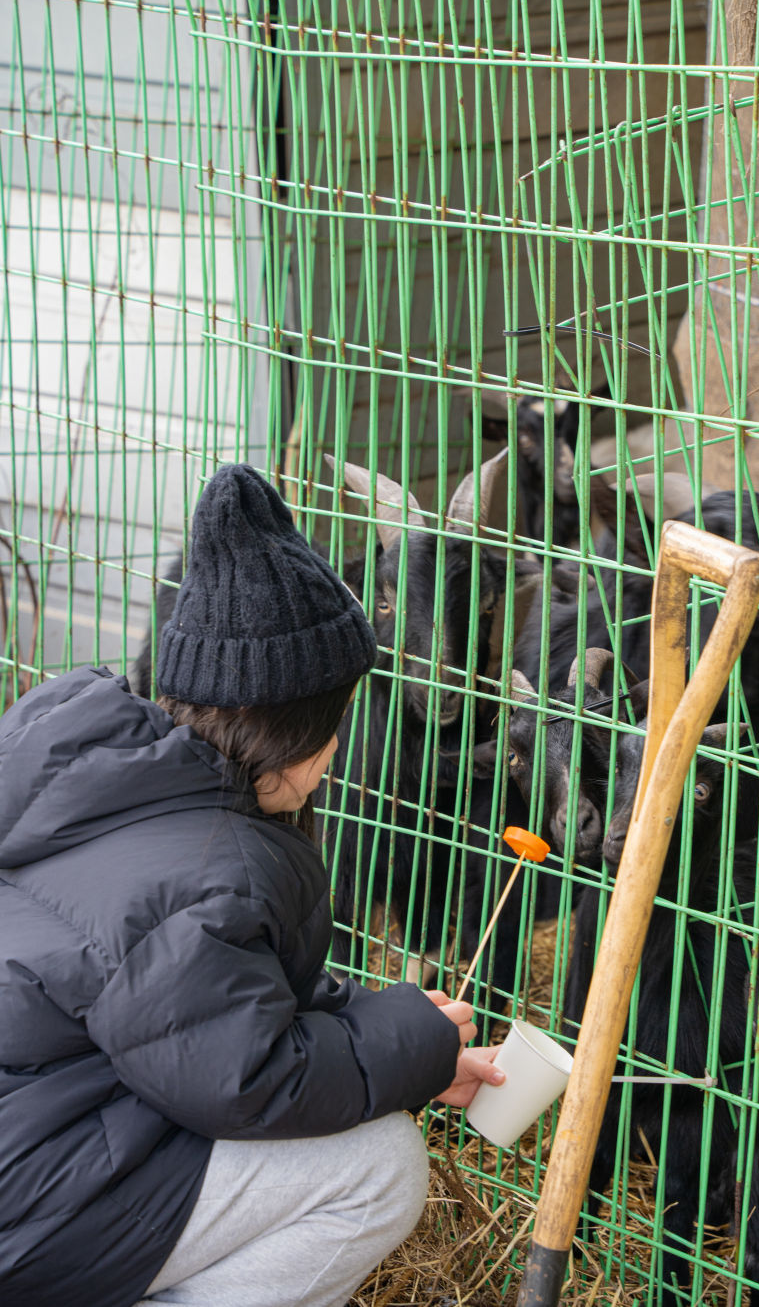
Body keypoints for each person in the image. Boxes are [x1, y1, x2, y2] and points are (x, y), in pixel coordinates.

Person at [0, 463, 504, 1307]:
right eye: (337, 721)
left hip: (36, 1129)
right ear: (301, 739)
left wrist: (392, 1027)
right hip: (26, 1208)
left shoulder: (100, 778)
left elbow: (203, 1000)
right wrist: (413, 1050)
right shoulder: (216, 866)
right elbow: (245, 1078)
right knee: (378, 1168)